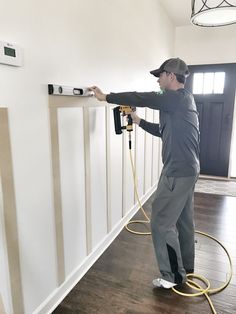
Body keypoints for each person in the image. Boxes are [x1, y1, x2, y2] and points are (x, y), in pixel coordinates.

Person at [89, 57, 200, 289]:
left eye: (160, 75)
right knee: (182, 219)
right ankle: (186, 267)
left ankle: (172, 276)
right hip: (189, 169)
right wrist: (138, 121)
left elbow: (141, 97)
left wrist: (105, 97)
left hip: (177, 171)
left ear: (170, 75)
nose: (158, 80)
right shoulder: (181, 101)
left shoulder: (172, 98)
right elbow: (163, 131)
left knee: (160, 221)